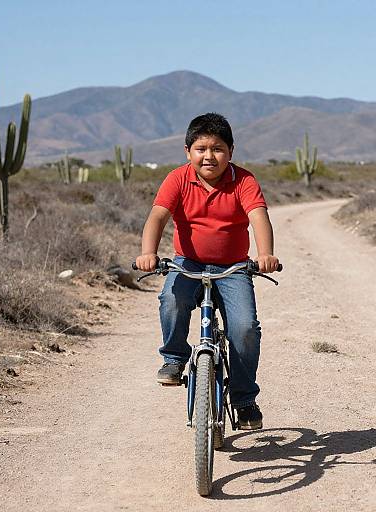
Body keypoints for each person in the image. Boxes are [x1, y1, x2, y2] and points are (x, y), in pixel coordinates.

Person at [135, 112, 280, 430]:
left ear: (230, 152)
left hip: (233, 268)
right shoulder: (177, 179)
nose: (209, 156)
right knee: (171, 300)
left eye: (217, 149)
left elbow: (258, 216)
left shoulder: (244, 181)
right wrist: (148, 253)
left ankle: (243, 399)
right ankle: (174, 358)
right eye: (201, 148)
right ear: (188, 152)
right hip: (187, 262)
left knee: (244, 328)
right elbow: (158, 216)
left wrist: (265, 254)